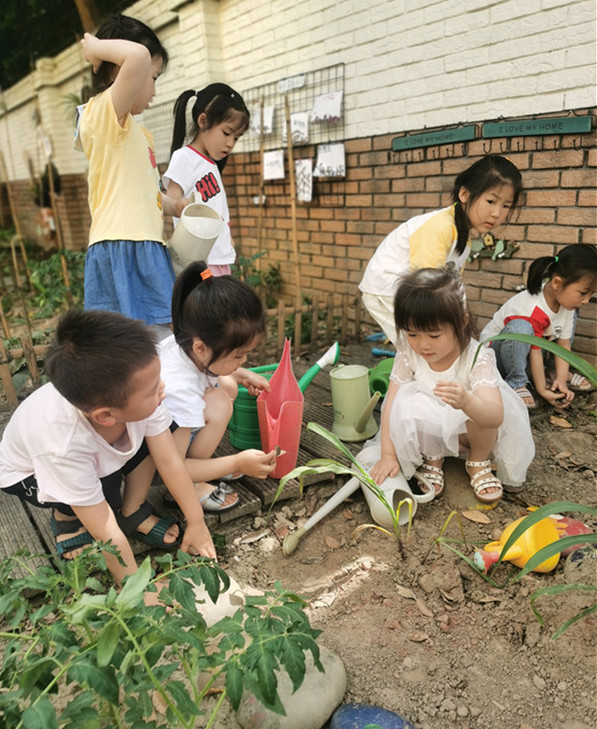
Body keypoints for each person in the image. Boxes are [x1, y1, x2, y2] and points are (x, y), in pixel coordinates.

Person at [0, 309, 216, 593]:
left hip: (95, 449)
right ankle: (66, 519)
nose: (162, 388)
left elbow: (169, 460)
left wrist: (196, 521)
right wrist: (139, 592)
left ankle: (133, 510)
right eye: (152, 390)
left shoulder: (139, 396)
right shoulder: (63, 446)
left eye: (158, 379)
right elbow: (106, 529)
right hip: (28, 472)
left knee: (155, 442)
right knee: (100, 497)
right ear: (105, 416)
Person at [369, 266, 534, 502]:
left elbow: (495, 416)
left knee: (483, 408)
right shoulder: (408, 353)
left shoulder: (476, 356)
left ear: (462, 321)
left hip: (470, 432)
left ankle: (477, 461)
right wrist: (387, 454)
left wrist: (467, 401)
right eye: (412, 334)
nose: (423, 345)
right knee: (407, 402)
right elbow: (391, 404)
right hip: (432, 432)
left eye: (434, 335)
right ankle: (432, 456)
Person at [79, 15, 185, 338]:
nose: (153, 88)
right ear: (117, 69)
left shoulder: (137, 133)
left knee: (158, 343)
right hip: (123, 246)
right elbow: (137, 57)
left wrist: (175, 206)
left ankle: (154, 391)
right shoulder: (103, 114)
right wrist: (95, 47)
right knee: (132, 347)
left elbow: (147, 193)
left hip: (145, 247)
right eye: (152, 77)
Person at [359, 155, 523, 345]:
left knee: (429, 345)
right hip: (387, 289)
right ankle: (409, 373)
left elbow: (452, 286)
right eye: (491, 202)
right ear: (465, 194)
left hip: (413, 291)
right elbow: (427, 286)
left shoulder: (463, 239)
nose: (497, 213)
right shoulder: (441, 227)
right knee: (420, 346)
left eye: (506, 206)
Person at [158, 261, 277, 511]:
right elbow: (171, 464)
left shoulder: (186, 344)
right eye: (238, 356)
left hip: (169, 437)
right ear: (201, 347)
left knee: (228, 385)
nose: (244, 360)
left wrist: (240, 373)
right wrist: (236, 462)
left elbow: (213, 372)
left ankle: (204, 468)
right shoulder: (179, 389)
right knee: (222, 401)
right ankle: (187, 484)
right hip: (155, 463)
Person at [481, 244, 597, 410]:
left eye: (591, 294)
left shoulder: (566, 304)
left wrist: (562, 382)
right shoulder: (532, 308)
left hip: (527, 356)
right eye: (583, 293)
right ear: (557, 283)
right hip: (497, 360)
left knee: (568, 318)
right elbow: (535, 349)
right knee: (521, 327)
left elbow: (563, 345)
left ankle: (553, 374)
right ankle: (517, 382)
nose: (586, 300)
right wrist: (542, 390)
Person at [163, 84, 250, 276]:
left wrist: (227, 238)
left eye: (236, 138)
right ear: (203, 121)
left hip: (218, 258)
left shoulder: (210, 164)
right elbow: (169, 202)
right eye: (226, 133)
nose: (230, 143)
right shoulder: (184, 157)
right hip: (199, 261)